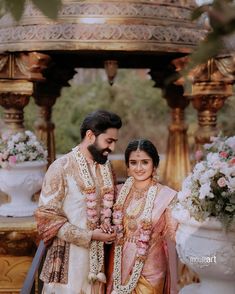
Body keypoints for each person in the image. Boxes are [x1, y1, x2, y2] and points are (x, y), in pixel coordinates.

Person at [35, 110, 122, 294]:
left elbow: (112, 208)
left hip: (99, 266)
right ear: (90, 135)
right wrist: (89, 236)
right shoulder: (61, 168)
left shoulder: (107, 169)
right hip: (67, 265)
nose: (112, 148)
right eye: (109, 141)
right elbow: (46, 219)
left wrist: (110, 227)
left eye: (114, 142)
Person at [107, 139, 178, 294]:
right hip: (119, 267)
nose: (139, 168)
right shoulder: (117, 193)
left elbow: (173, 238)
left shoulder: (166, 196)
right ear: (127, 166)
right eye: (133, 162)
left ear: (154, 165)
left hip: (151, 271)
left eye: (145, 162)